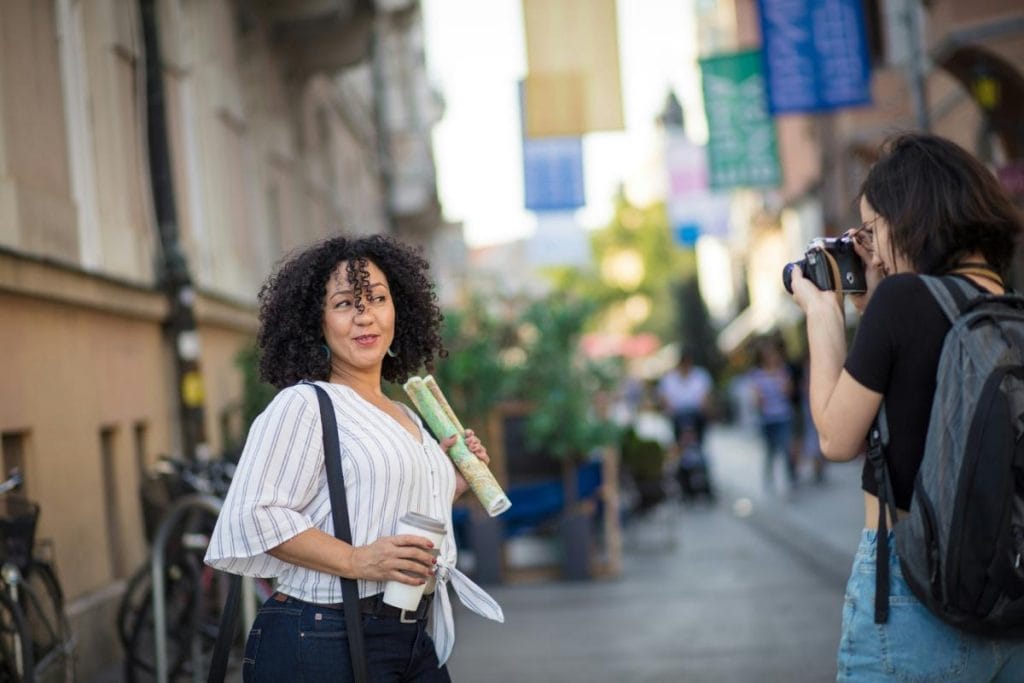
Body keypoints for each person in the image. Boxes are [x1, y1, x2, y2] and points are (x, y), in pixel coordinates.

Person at [205, 234, 502, 682]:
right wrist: (356, 560)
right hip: (322, 636)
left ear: (397, 310)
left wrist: (450, 483)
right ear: (316, 322)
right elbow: (254, 515)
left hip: (408, 635)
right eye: (345, 303)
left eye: (378, 299)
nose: (365, 316)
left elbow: (384, 514)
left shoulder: (404, 413)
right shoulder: (305, 405)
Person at [788, 132, 1024, 679]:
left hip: (914, 594)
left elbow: (835, 438)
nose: (871, 246)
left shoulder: (901, 302)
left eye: (872, 230)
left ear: (909, 216)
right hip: (1010, 601)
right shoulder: (1009, 311)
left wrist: (825, 315)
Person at [748, 337, 797, 493]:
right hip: (767, 418)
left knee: (786, 449)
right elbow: (756, 400)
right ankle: (769, 480)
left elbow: (789, 392)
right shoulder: (757, 374)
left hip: (783, 416)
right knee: (770, 451)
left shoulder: (783, 371)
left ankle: (790, 481)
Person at [656, 349, 713, 450]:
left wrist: (705, 408)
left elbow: (705, 397)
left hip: (696, 414)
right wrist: (669, 409)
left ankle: (698, 450)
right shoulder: (670, 378)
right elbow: (664, 398)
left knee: (699, 431)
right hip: (677, 415)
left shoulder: (701, 375)